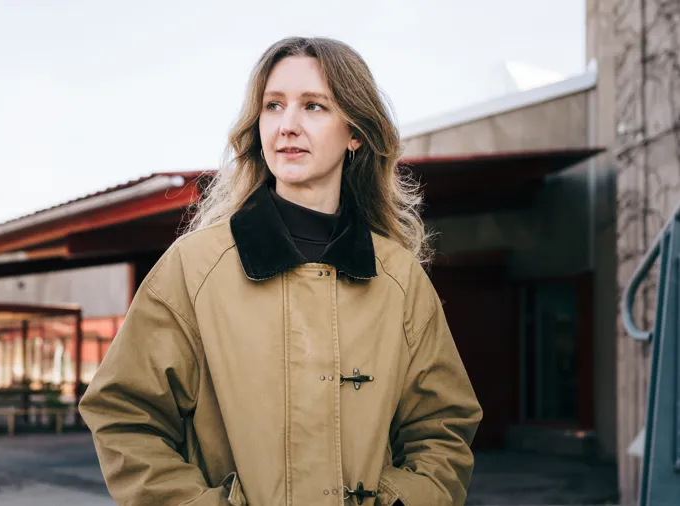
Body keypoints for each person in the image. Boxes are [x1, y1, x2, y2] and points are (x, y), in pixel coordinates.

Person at [78, 36, 482, 506]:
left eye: (313, 106)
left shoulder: (398, 278)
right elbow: (123, 414)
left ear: (355, 132)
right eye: (273, 106)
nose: (287, 125)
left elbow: (443, 428)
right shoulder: (193, 269)